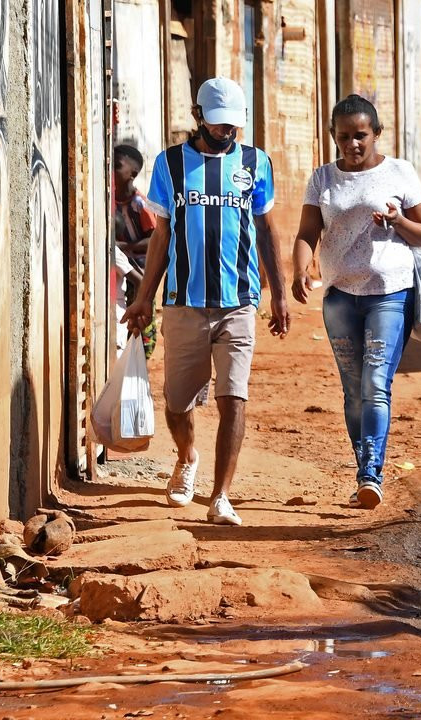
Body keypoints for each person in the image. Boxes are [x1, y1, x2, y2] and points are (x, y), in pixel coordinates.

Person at [122, 77, 290, 526]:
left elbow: (268, 230)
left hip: (238, 301)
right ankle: (187, 456)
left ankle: (221, 497)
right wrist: (144, 298)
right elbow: (161, 235)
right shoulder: (171, 164)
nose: (227, 132)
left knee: (233, 397)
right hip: (183, 302)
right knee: (178, 402)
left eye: (233, 124)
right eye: (218, 124)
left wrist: (277, 293)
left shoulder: (255, 163)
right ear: (198, 117)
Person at [292, 94, 421, 509]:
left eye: (361, 136)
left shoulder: (399, 172)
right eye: (343, 137)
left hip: (390, 292)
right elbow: (307, 232)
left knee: (375, 385)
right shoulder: (322, 179)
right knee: (352, 390)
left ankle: (370, 474)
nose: (352, 145)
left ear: (377, 134)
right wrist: (301, 269)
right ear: (333, 137)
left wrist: (397, 221)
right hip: (339, 296)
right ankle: (364, 474)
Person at [113, 144, 159, 356]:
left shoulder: (140, 204)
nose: (112, 169)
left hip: (141, 271)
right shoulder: (112, 201)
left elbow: (155, 239)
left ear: (132, 173)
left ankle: (142, 362)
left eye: (117, 165)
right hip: (123, 272)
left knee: (142, 322)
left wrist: (127, 247)